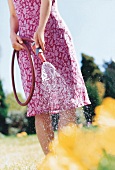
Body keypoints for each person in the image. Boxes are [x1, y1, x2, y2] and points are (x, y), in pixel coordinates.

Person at [8, 0, 91, 155]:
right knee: (39, 108)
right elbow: (13, 14)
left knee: (68, 103)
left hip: (54, 36)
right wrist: (12, 34)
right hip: (27, 47)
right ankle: (51, 161)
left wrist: (41, 28)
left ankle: (66, 158)